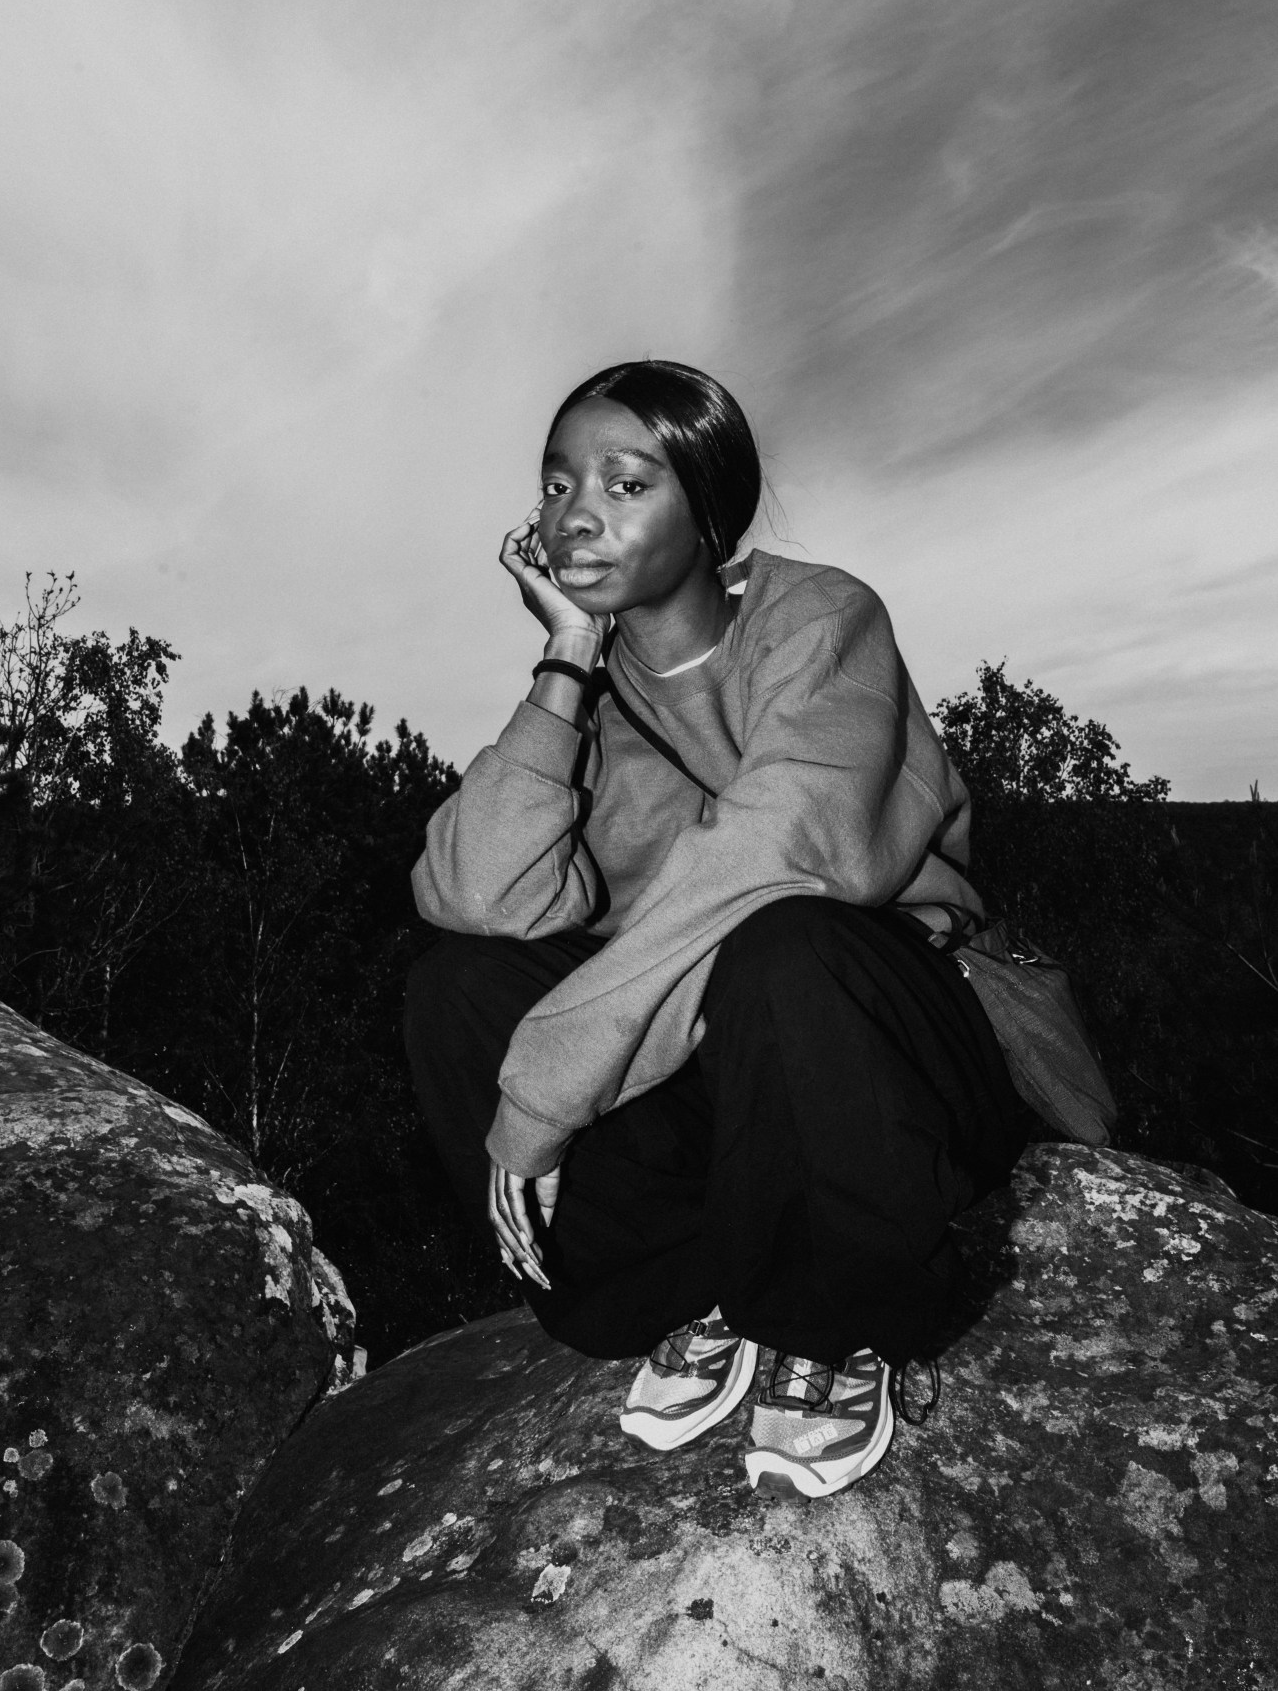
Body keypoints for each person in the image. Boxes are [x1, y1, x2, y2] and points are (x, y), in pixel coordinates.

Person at [405, 360, 1027, 1499]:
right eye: (554, 484)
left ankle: (836, 1322)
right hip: (722, 1062)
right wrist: (563, 662)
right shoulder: (589, 702)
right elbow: (473, 894)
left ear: (707, 514)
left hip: (880, 1047)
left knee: (781, 944)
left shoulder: (820, 617)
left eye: (624, 481)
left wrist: (546, 1088)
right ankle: (690, 1288)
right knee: (455, 986)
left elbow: (795, 846)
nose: (572, 511)